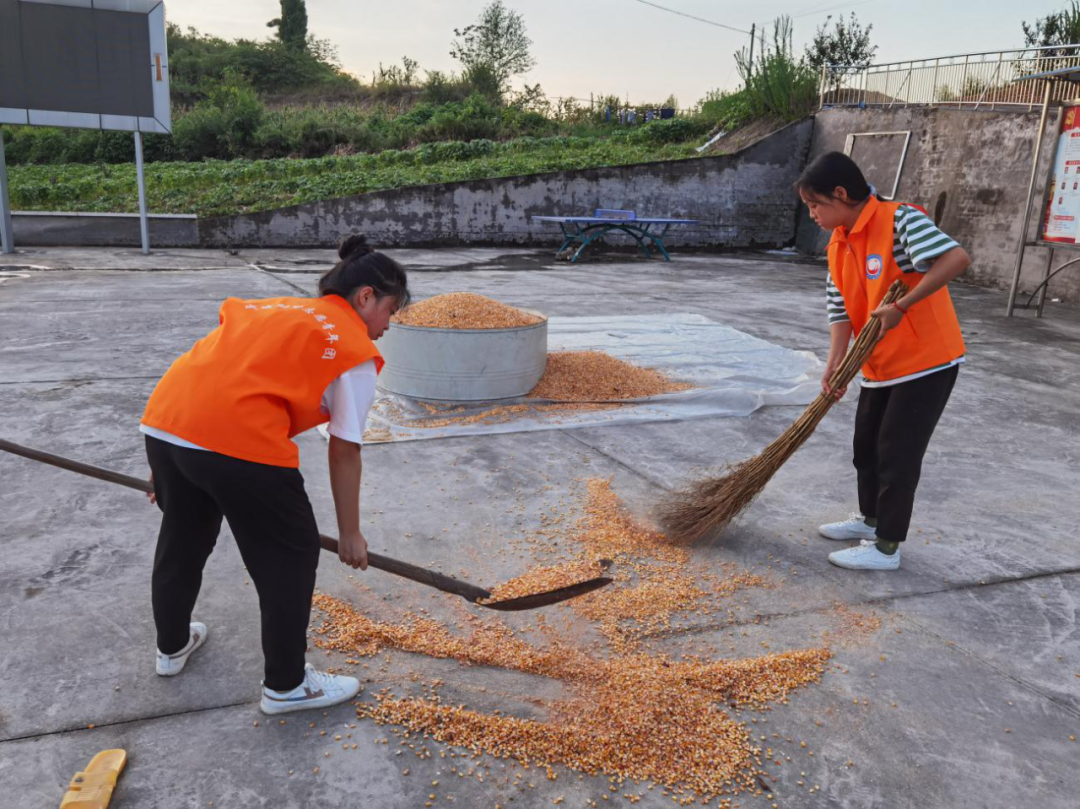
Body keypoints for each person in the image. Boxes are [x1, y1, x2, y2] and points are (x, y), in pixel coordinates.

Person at [139, 235, 409, 712]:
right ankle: (286, 685)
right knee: (290, 553)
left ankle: (171, 646)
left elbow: (206, 372)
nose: (390, 323)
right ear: (365, 297)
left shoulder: (275, 308)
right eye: (392, 309)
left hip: (165, 424)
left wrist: (169, 464)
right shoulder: (351, 349)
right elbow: (345, 451)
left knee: (183, 535)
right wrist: (350, 534)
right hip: (235, 441)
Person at [797, 152, 970, 571]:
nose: (812, 214)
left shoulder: (899, 220)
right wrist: (835, 362)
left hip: (926, 361)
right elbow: (839, 308)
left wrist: (903, 305)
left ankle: (887, 546)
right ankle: (870, 520)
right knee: (866, 448)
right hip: (879, 364)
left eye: (815, 204)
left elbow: (956, 258)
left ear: (841, 194)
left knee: (897, 453)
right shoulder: (839, 242)